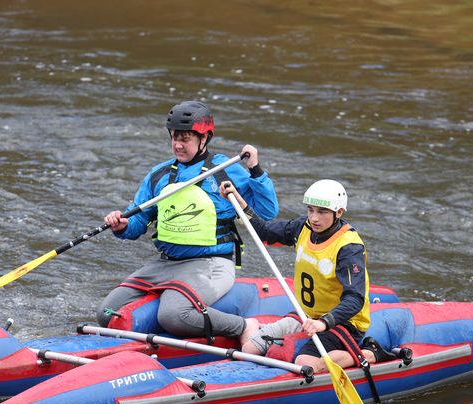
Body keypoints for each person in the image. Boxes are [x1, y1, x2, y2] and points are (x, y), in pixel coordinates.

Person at [96, 100, 279, 338]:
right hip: (166, 264)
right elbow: (139, 221)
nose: (177, 145)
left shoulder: (225, 170)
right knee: (106, 313)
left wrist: (255, 169)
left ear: (204, 139)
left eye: (185, 139)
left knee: (172, 315)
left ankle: (244, 327)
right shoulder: (159, 175)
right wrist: (123, 225)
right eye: (174, 138)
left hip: (211, 264)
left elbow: (267, 212)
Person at [221, 178, 390, 374]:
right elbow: (264, 232)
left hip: (342, 323)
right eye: (310, 210)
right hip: (306, 316)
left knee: (306, 362)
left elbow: (355, 299)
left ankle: (369, 353)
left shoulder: (349, 248)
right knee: (250, 348)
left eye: (322, 212)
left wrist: (324, 322)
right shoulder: (303, 227)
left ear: (339, 212)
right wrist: (238, 201)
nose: (314, 218)